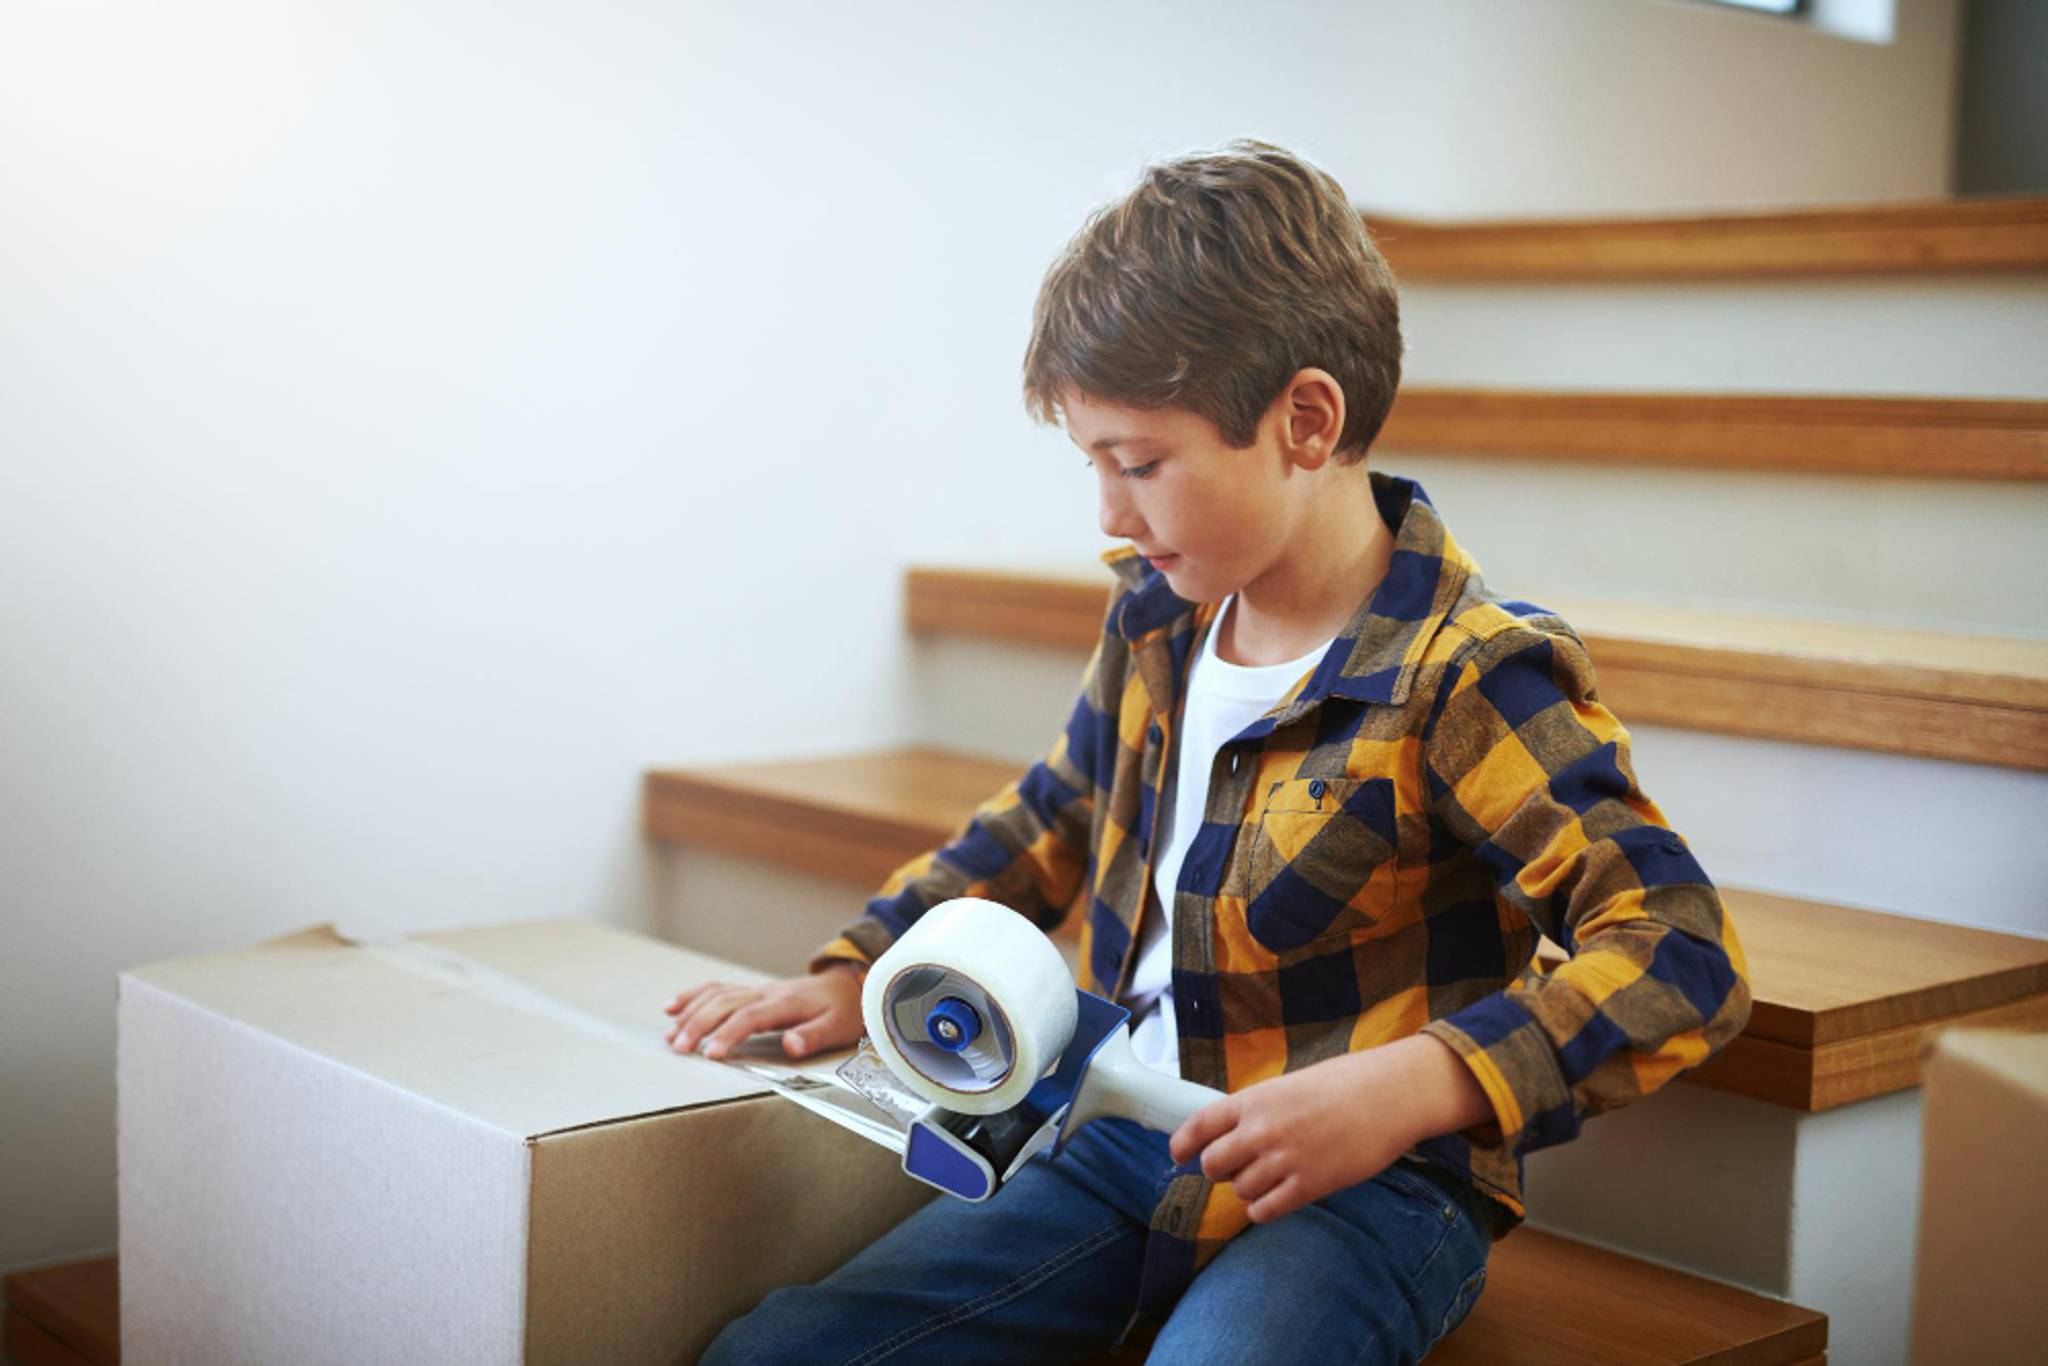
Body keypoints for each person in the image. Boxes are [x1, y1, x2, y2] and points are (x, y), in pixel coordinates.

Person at [670, 138, 1752, 1364]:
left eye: (1138, 463)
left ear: (1303, 420)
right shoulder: (1156, 613)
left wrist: (1410, 1087)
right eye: (1093, 464)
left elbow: (1679, 948)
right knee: (773, 1353)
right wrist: (858, 966)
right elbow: (1053, 810)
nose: (1107, 514)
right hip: (1127, 1135)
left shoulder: (1466, 675)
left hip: (1371, 1191)